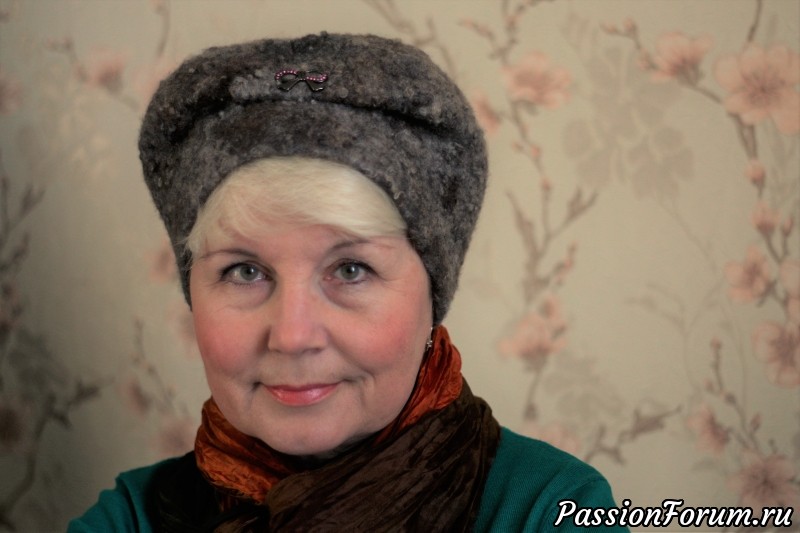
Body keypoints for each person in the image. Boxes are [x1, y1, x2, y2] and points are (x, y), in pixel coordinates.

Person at [69, 32, 626, 532]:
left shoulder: (549, 510)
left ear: (432, 299)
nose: (293, 336)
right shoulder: (130, 518)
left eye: (351, 270)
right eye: (245, 271)